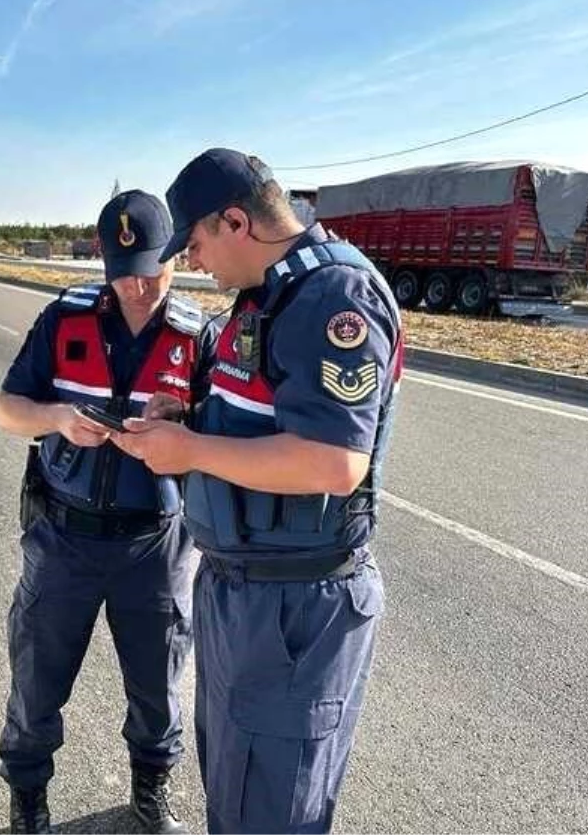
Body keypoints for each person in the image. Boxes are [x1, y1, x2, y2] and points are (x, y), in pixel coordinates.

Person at [111, 149, 404, 835]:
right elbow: (252, 421)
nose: (196, 262)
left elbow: (335, 463)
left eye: (199, 242)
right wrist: (183, 422)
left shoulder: (333, 295)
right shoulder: (262, 297)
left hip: (294, 604)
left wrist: (190, 450)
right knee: (235, 790)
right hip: (240, 590)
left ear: (237, 221)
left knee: (271, 808)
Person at [0, 189, 220, 835]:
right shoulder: (64, 321)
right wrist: (58, 418)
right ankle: (28, 799)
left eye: (153, 272)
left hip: (155, 543)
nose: (140, 290)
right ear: (104, 262)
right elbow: (6, 409)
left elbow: (223, 437)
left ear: (175, 257)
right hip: (64, 538)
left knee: (158, 684)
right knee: (36, 681)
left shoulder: (196, 335)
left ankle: (151, 791)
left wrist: (185, 425)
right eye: (125, 275)